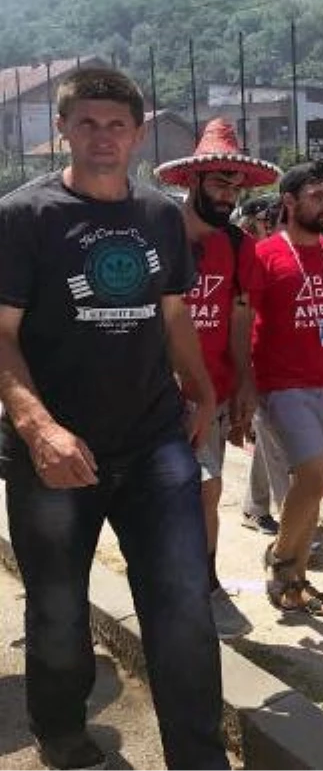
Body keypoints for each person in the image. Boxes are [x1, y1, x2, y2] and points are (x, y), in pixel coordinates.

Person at [0, 67, 229, 769]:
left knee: (185, 600)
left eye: (117, 125)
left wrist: (204, 389)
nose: (103, 137)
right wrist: (39, 429)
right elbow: (1, 333)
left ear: (137, 133)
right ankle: (61, 729)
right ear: (62, 129)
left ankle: (199, 756)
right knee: (60, 604)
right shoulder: (22, 218)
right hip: (56, 450)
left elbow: (171, 311)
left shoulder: (160, 214)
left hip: (154, 438)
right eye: (88, 123)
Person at [155, 118, 280, 640]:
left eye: (234, 186)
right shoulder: (156, 233)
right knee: (174, 494)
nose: (227, 195)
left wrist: (246, 385)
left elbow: (238, 318)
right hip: (156, 396)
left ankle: (205, 585)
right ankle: (174, 585)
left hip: (216, 394)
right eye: (218, 184)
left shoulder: (238, 246)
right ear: (193, 182)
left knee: (206, 493)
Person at [251, 160, 323, 616]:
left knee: (311, 486)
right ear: (290, 202)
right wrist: (242, 389)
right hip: (280, 384)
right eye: (316, 196)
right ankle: (281, 559)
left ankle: (295, 582)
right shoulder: (263, 256)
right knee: (316, 472)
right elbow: (243, 325)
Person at [237, 192, 289, 535]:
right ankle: (293, 525)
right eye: (275, 220)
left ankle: (255, 506)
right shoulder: (252, 255)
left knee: (271, 441)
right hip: (260, 358)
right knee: (276, 442)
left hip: (286, 357)